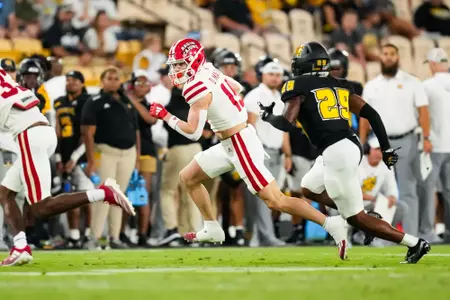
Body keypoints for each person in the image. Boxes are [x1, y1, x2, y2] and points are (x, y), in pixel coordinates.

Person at [149, 38, 348, 259]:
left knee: (276, 200)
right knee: (188, 177)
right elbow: (236, 87)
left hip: (239, 143)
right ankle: (212, 227)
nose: (175, 69)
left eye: (180, 64)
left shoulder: (195, 87)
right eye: (174, 64)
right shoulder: (208, 70)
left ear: (194, 61)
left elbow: (193, 132)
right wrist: (224, 110)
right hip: (231, 141)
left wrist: (165, 116)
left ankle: (331, 223)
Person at [259, 41, 430, 264]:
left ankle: (414, 243)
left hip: (336, 151)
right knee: (309, 188)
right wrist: (386, 149)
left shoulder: (297, 85)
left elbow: (287, 123)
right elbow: (373, 115)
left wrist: (268, 117)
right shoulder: (339, 84)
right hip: (348, 145)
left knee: (355, 217)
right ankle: (365, 218)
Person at [0, 69, 135, 266]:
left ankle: (103, 193)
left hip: (28, 136)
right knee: (5, 193)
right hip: (40, 131)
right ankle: (20, 247)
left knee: (41, 208)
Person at [360, 44, 431, 237]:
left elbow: (423, 111)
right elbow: (364, 117)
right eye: (385, 54)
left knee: (408, 189)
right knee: (379, 189)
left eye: (392, 54)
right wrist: (362, 142)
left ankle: (411, 235)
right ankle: (381, 235)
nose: (389, 57)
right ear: (380, 57)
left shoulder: (412, 82)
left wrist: (426, 137)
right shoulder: (371, 86)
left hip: (406, 140)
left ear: (398, 57)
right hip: (378, 144)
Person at [81, 67, 140, 250]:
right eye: (110, 78)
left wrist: (137, 155)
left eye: (117, 78)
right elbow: (87, 133)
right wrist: (91, 160)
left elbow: (135, 129)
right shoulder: (95, 101)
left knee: (119, 195)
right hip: (106, 152)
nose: (114, 81)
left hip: (128, 152)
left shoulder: (126, 101)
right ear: (102, 81)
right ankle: (94, 237)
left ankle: (114, 237)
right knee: (104, 194)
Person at [54, 70, 93, 249]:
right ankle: (74, 236)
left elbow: (88, 134)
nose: (70, 83)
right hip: (66, 153)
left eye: (75, 80)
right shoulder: (60, 102)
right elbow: (58, 132)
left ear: (82, 84)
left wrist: (75, 158)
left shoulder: (88, 101)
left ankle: (88, 234)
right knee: (70, 197)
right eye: (68, 80)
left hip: (84, 155)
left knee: (86, 197)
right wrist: (60, 157)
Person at [123, 70, 157, 247]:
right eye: (138, 83)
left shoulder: (150, 105)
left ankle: (142, 234)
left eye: (145, 83)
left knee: (143, 195)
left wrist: (132, 100)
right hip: (127, 152)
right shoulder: (124, 105)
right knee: (125, 194)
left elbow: (150, 119)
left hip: (146, 152)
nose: (142, 86)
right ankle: (122, 232)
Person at [353, 136, 408, 246]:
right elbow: (353, 191)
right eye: (376, 149)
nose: (379, 153)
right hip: (356, 205)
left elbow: (391, 187)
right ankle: (360, 235)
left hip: (374, 204)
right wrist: (374, 199)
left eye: (381, 150)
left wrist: (392, 197)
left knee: (401, 208)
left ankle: (382, 236)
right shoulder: (357, 163)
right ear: (369, 150)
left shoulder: (387, 165)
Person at [421, 48, 450, 243]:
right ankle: (448, 231)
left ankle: (427, 231)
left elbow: (422, 115)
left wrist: (425, 138)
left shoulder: (427, 85)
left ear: (432, 64)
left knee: (429, 189)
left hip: (435, 145)